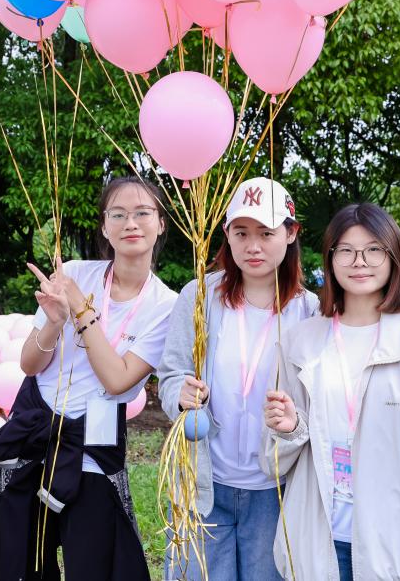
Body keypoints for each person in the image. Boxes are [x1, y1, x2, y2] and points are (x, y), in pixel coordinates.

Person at [0, 176, 177, 581]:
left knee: (94, 562)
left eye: (142, 213)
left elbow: (117, 380)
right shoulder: (75, 273)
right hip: (36, 435)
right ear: (104, 226)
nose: (130, 223)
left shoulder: (166, 305)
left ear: (160, 223)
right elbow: (30, 364)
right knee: (19, 561)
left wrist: (80, 310)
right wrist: (53, 323)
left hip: (94, 447)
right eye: (118, 214)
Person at [262, 203, 400, 580]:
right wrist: (290, 428)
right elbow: (272, 462)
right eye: (346, 250)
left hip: (394, 543)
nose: (359, 261)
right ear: (330, 259)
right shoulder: (301, 343)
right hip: (318, 538)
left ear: (394, 257)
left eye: (373, 249)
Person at [157, 177, 319, 581]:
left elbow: (320, 407)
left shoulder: (311, 312)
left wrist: (293, 423)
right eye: (241, 233)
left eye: (266, 233)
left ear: (291, 233)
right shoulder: (199, 296)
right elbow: (170, 373)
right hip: (203, 484)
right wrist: (180, 393)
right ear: (227, 234)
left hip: (274, 490)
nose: (253, 246)